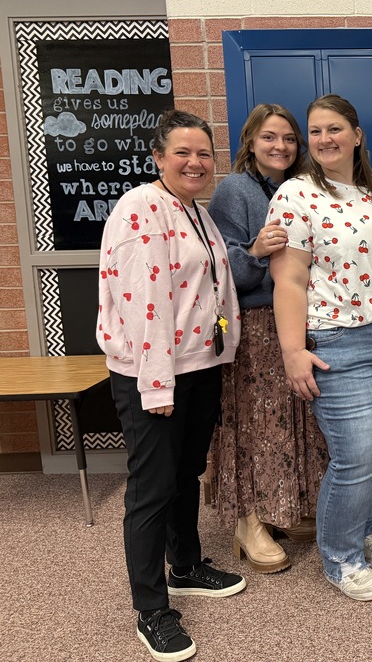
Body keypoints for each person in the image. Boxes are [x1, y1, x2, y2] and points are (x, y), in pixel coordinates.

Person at [97, 110, 245, 662]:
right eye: (182, 152)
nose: (195, 162)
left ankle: (184, 565)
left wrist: (220, 357)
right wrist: (157, 387)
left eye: (204, 153)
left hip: (197, 366)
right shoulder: (140, 208)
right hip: (152, 374)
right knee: (152, 487)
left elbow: (210, 289)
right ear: (158, 157)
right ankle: (151, 609)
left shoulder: (196, 213)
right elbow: (146, 302)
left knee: (187, 473)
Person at [269, 94, 372, 601]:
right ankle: (340, 556)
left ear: (357, 135)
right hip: (341, 338)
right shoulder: (295, 195)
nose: (324, 139)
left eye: (334, 128)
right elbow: (288, 279)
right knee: (359, 453)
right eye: (315, 131)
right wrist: (293, 351)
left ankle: (363, 526)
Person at [208, 104, 328, 574]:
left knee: (294, 421)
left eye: (289, 139)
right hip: (256, 328)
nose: (280, 146)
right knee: (254, 426)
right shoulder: (235, 190)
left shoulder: (304, 190)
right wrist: (255, 251)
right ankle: (249, 521)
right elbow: (222, 272)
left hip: (299, 321)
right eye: (269, 138)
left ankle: (282, 510)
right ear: (250, 142)